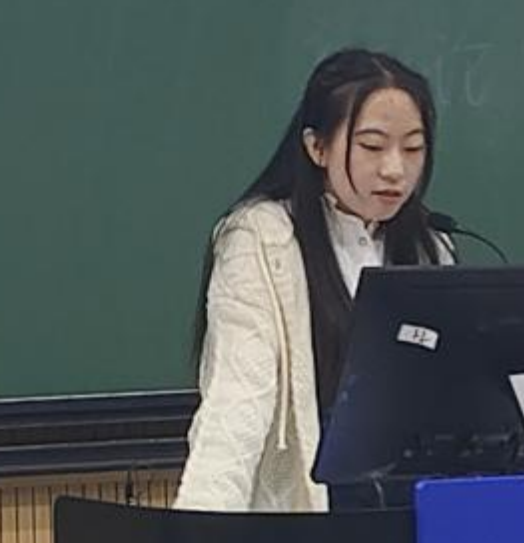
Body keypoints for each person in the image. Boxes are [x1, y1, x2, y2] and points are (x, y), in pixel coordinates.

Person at [174, 48, 453, 512]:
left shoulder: (431, 246)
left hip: (417, 510)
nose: (395, 169)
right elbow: (237, 403)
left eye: (412, 148)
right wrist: (197, 534)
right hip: (314, 517)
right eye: (372, 146)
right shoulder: (263, 240)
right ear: (316, 147)